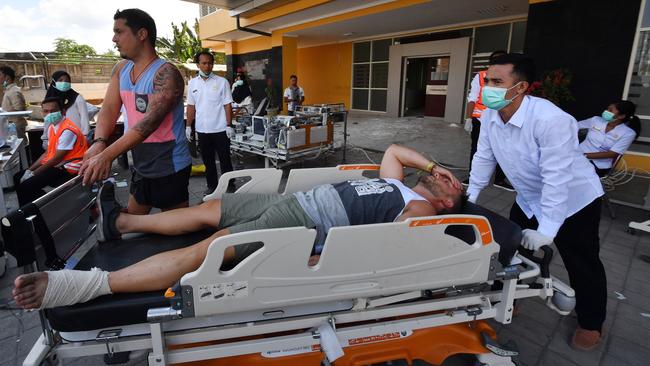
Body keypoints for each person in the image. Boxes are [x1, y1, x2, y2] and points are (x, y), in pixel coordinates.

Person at [13, 144, 464, 310]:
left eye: (448, 185)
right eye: (441, 177)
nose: (439, 178)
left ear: (445, 202)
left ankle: (89, 286)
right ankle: (121, 222)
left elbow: (385, 242)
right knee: (211, 207)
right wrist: (438, 167)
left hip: (303, 221)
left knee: (210, 248)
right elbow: (396, 151)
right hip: (291, 201)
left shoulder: (422, 210)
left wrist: (320, 258)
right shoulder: (400, 184)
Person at [467, 53, 606, 351]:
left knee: (582, 263)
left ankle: (591, 322)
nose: (487, 86)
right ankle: (510, 297)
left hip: (573, 201)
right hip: (530, 198)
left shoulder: (551, 120)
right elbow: (483, 157)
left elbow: (557, 178)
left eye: (497, 81)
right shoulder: (492, 114)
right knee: (507, 249)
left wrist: (548, 231)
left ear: (520, 88)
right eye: (487, 80)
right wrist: (470, 197)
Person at [79, 9, 191, 214]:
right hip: (140, 162)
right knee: (135, 223)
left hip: (169, 164)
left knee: (175, 229)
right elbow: (110, 109)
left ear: (142, 34)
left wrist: (107, 155)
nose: (114, 39)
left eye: (119, 32)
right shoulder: (120, 69)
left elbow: (147, 125)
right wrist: (99, 142)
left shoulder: (166, 73)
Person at [13, 97, 88, 206]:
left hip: (69, 167)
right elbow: (47, 153)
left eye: (53, 111)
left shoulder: (68, 130)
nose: (49, 114)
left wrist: (33, 173)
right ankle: (28, 209)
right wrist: (29, 170)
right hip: (58, 164)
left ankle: (41, 210)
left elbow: (57, 158)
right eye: (46, 111)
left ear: (63, 111)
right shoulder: (52, 128)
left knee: (27, 185)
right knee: (17, 177)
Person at [186, 51, 234, 195]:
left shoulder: (221, 82)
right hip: (202, 130)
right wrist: (188, 126)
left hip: (220, 129)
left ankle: (230, 184)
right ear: (198, 65)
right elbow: (191, 106)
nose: (207, 66)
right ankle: (212, 186)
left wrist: (229, 125)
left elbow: (227, 105)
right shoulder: (193, 83)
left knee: (225, 159)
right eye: (204, 63)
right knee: (208, 161)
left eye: (210, 63)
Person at [463, 50, 511, 191]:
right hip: (480, 119)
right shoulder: (481, 76)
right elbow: (472, 97)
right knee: (477, 149)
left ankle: (499, 179)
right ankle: (473, 177)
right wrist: (468, 118)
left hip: (502, 118)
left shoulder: (510, 77)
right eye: (496, 61)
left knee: (502, 148)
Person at [578, 100, 640, 177]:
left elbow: (612, 154)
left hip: (599, 165)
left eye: (610, 110)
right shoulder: (596, 120)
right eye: (607, 109)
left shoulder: (628, 133)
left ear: (621, 116)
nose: (606, 111)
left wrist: (583, 155)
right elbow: (574, 126)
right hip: (578, 154)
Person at [43, 70, 90, 149]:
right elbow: (47, 120)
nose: (64, 83)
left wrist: (85, 136)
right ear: (54, 82)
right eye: (60, 80)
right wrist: (45, 137)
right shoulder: (49, 99)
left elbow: (84, 118)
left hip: (76, 138)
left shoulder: (77, 97)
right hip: (56, 138)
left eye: (67, 81)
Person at [0, 66, 27, 138]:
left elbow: (19, 109)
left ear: (7, 77)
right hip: (11, 125)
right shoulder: (9, 90)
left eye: (0, 75)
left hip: (15, 125)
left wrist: (2, 112)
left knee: (20, 146)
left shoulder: (14, 91)